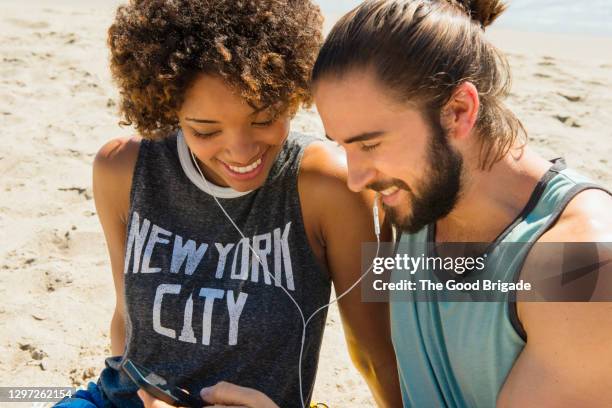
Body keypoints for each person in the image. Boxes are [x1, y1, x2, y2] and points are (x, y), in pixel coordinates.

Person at [54, 1, 401, 407]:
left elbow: (376, 352)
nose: (241, 152)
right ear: (168, 109)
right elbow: (126, 319)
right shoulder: (122, 170)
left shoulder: (331, 187)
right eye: (205, 130)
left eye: (263, 119)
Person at [311, 0, 612, 406]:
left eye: (370, 144)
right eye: (345, 146)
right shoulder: (419, 197)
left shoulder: (582, 262)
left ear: (458, 111)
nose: (356, 178)